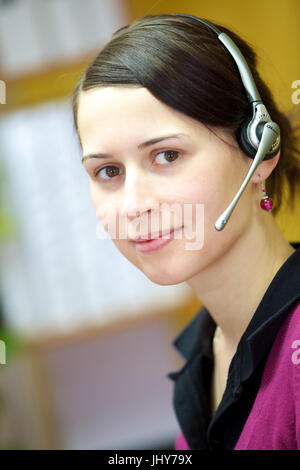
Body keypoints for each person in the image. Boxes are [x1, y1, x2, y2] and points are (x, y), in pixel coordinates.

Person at [71, 13, 300, 450]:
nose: (135, 204)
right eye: (108, 170)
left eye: (167, 156)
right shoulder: (206, 351)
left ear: (259, 149)